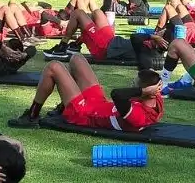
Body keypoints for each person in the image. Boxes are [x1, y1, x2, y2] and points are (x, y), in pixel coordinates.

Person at [10, 53, 164, 130]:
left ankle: (32, 116)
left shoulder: (139, 117)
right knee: (77, 58)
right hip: (99, 104)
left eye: (134, 84)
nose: (131, 85)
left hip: (84, 114)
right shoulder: (155, 97)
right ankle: (62, 107)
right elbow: (150, 77)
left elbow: (117, 94)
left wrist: (141, 90)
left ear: (145, 92)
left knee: (54, 66)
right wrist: (147, 86)